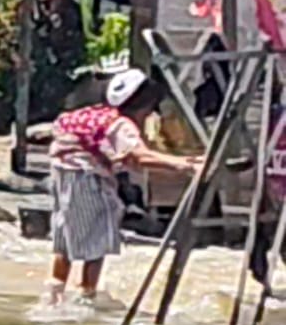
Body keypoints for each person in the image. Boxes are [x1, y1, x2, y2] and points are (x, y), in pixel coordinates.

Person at [45, 68, 200, 306]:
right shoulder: (120, 125)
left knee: (65, 238)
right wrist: (185, 165)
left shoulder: (88, 114)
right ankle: (87, 295)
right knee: (97, 239)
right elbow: (140, 157)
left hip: (62, 178)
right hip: (89, 180)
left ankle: (53, 295)